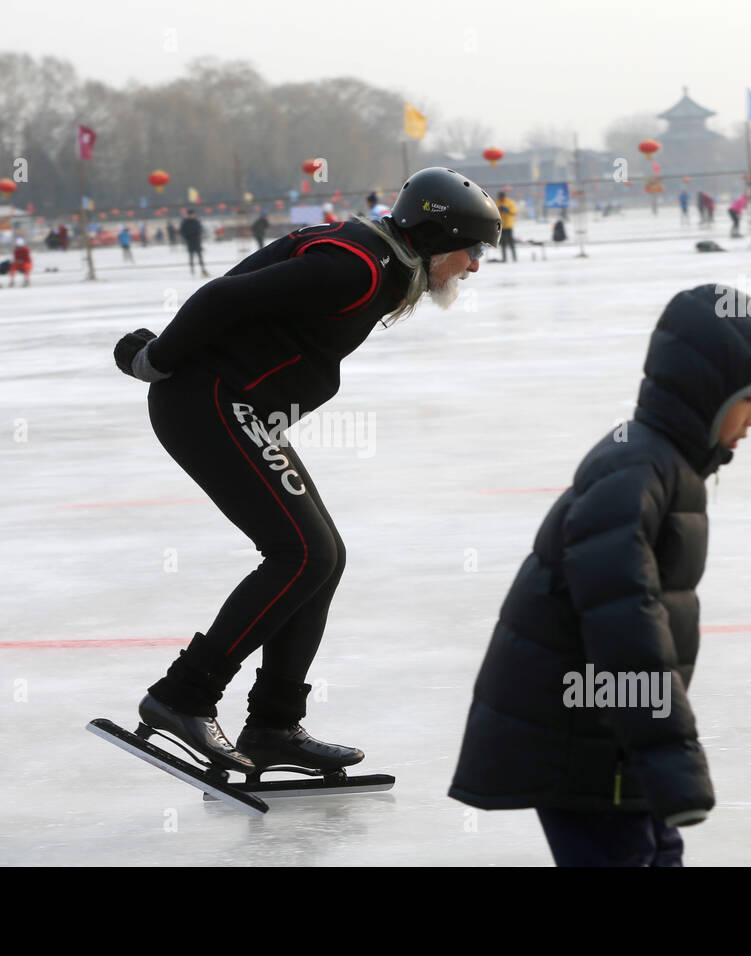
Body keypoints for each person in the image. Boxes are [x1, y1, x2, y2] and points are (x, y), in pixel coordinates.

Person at [111, 167, 500, 774]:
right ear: (434, 238)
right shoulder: (358, 267)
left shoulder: (381, 261)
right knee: (303, 554)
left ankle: (273, 725)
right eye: (472, 250)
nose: (475, 266)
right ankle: (182, 697)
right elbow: (222, 296)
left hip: (237, 408)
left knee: (323, 557)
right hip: (210, 404)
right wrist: (154, 359)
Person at [449, 283, 751, 866]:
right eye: (750, 399)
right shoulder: (636, 473)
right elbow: (626, 629)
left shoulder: (666, 467)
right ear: (707, 391)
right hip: (580, 748)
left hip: (612, 744)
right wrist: (672, 761)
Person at [179, 209, 209, 278]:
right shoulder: (185, 222)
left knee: (199, 256)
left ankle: (203, 269)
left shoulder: (196, 221)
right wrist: (187, 237)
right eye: (191, 214)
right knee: (191, 256)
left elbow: (199, 229)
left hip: (196, 241)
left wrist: (198, 236)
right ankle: (192, 270)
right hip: (190, 241)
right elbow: (182, 231)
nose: (192, 216)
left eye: (192, 214)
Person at [494, 189, 519, 262]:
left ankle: (514, 258)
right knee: (503, 243)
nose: (501, 199)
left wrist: (508, 210)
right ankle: (504, 258)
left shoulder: (510, 203)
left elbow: (515, 212)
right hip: (500, 226)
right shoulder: (496, 203)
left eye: (502, 197)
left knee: (511, 242)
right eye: (500, 197)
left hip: (508, 226)